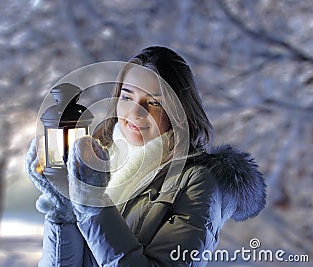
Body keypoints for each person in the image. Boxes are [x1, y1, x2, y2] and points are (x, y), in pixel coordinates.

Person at [25, 46, 267, 266]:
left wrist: (93, 205)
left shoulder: (197, 183)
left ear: (179, 111)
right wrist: (63, 209)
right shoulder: (98, 163)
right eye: (127, 96)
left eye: (153, 103)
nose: (135, 112)